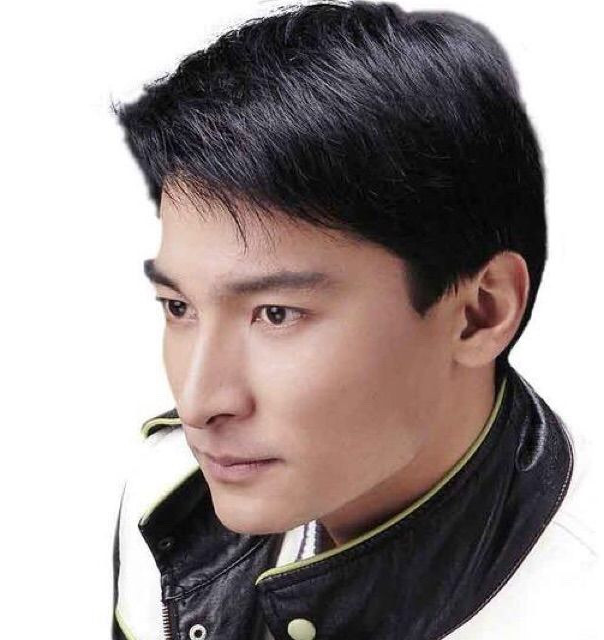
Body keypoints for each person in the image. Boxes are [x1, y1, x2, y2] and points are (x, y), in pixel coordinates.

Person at [109, 2, 598, 639]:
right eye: (179, 308)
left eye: (276, 314)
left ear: (480, 313)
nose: (199, 404)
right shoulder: (167, 494)